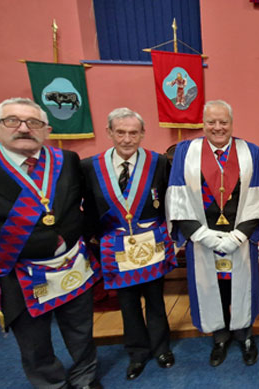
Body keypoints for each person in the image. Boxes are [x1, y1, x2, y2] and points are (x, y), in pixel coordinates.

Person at [0, 97, 100, 388]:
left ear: (46, 129)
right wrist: (19, 246)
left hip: (71, 263)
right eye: (13, 120)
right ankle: (51, 384)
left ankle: (85, 378)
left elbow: (85, 205)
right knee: (33, 339)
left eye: (34, 123)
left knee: (80, 328)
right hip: (19, 270)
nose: (25, 128)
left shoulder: (66, 161)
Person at [167, 100, 259, 367]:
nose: (218, 127)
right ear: (203, 123)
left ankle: (245, 336)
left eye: (223, 121)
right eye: (211, 122)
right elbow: (177, 198)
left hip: (240, 239)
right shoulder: (185, 152)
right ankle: (220, 338)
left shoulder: (250, 151)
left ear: (232, 123)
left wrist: (239, 236)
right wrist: (202, 235)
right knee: (213, 289)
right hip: (202, 239)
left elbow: (258, 197)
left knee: (242, 288)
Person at [81, 108, 176, 380]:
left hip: (152, 243)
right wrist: (94, 243)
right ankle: (137, 353)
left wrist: (172, 236)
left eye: (133, 132)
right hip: (114, 247)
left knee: (156, 300)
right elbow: (87, 209)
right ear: (109, 132)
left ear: (142, 134)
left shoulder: (158, 162)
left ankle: (161, 349)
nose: (127, 139)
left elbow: (170, 202)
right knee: (128, 302)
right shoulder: (90, 166)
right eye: (120, 132)